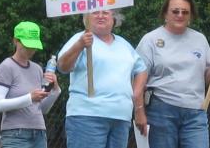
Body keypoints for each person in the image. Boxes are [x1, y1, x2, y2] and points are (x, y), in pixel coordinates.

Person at [136, 0, 210, 148]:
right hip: (161, 111)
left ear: (190, 16)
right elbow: (138, 79)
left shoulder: (199, 39)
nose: (180, 15)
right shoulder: (150, 40)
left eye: (185, 12)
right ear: (165, 13)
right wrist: (139, 111)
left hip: (195, 112)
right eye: (175, 11)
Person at [57, 9, 148, 148]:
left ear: (114, 18)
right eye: (94, 12)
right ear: (86, 18)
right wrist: (80, 45)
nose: (100, 16)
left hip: (121, 118)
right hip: (87, 116)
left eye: (105, 13)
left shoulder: (124, 44)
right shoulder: (80, 38)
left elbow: (141, 70)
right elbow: (63, 67)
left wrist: (136, 97)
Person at [0, 21, 61, 148]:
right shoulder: (6, 66)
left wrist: (55, 90)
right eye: (27, 45)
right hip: (15, 135)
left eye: (33, 46)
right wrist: (29, 98)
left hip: (40, 133)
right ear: (15, 41)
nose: (31, 50)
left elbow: (42, 109)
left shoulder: (37, 69)